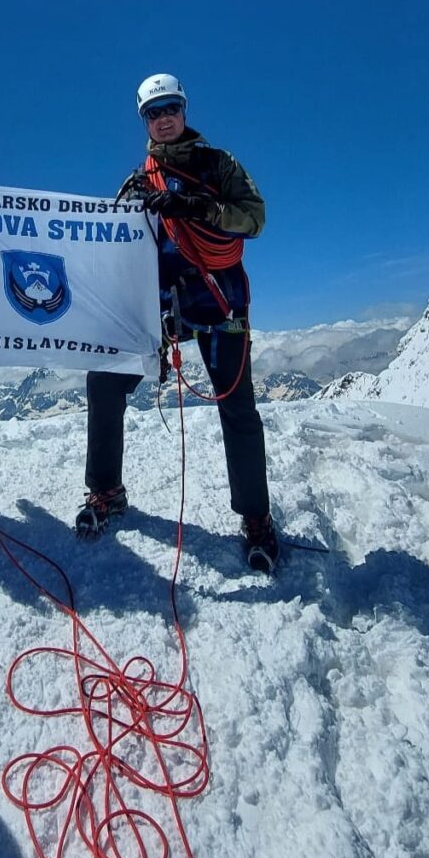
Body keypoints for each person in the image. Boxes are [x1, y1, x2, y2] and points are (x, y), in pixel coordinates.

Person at [76, 73, 278, 572]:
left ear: (184, 111)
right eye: (153, 112)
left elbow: (254, 218)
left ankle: (256, 518)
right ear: (144, 120)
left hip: (218, 302)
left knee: (237, 407)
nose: (163, 119)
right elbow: (116, 248)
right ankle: (106, 491)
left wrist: (197, 208)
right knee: (103, 380)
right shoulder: (138, 182)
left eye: (170, 109)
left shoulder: (218, 165)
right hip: (160, 307)